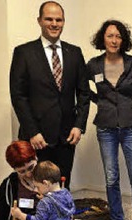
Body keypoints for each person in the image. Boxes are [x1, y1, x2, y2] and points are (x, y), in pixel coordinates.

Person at [10, 1, 89, 190]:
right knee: (36, 188)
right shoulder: (24, 53)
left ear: (63, 22)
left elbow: (84, 94)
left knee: (62, 187)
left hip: (66, 137)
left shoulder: (75, 53)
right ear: (39, 21)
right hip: (37, 139)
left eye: (58, 20)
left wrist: (78, 126)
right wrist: (32, 132)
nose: (54, 24)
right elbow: (18, 96)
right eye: (49, 19)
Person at [87, 20, 132, 220]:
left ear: (123, 40)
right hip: (105, 128)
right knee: (111, 178)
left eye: (118, 36)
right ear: (102, 39)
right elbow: (82, 90)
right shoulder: (93, 65)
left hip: (131, 127)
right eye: (110, 36)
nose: (114, 40)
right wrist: (101, 102)